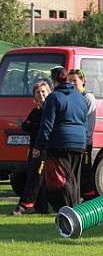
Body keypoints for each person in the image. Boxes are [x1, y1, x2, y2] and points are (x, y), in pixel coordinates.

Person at [34, 66, 88, 210]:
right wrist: (85, 141)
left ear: (53, 80)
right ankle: (77, 207)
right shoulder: (79, 97)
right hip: (79, 142)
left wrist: (39, 146)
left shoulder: (54, 97)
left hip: (61, 142)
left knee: (64, 178)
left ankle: (70, 209)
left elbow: (47, 124)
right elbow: (85, 121)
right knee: (74, 177)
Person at [12, 80, 51, 215]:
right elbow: (27, 127)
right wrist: (22, 124)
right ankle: (41, 207)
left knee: (35, 178)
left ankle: (24, 206)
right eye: (37, 92)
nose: (41, 94)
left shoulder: (50, 110)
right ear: (34, 96)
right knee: (37, 178)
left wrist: (39, 148)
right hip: (33, 149)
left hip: (43, 150)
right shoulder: (35, 111)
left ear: (49, 93)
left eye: (43, 91)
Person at [68, 69, 97, 200]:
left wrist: (86, 140)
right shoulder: (71, 97)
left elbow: (89, 123)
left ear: (83, 81)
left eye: (75, 80)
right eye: (70, 81)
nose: (72, 83)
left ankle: (89, 197)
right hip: (74, 141)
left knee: (85, 171)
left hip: (84, 142)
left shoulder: (88, 98)